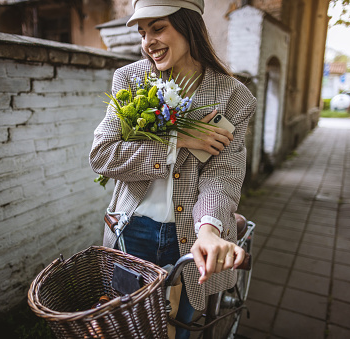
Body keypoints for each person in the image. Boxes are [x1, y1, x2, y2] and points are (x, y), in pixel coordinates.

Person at [90, 1, 256, 338]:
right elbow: (103, 155)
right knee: (129, 326)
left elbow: (222, 174)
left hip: (192, 234)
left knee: (180, 326)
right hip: (133, 228)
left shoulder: (233, 96)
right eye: (142, 32)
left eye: (158, 27)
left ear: (188, 25)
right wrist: (176, 139)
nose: (147, 41)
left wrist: (209, 230)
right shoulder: (130, 79)